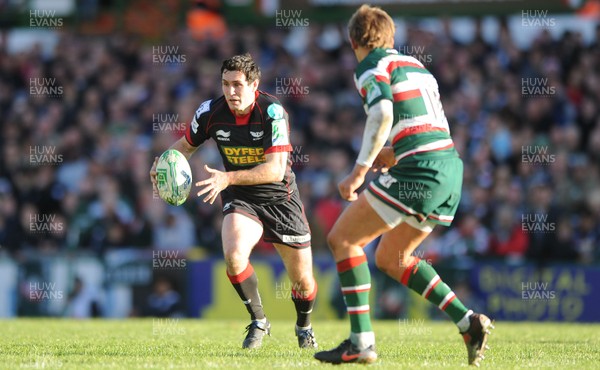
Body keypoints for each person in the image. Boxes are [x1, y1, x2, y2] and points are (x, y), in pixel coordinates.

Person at [314, 5, 493, 366]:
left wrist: (360, 170)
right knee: (392, 258)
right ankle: (467, 321)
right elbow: (427, 126)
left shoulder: (370, 64)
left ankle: (361, 343)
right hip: (449, 169)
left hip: (421, 169)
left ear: (354, 42)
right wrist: (392, 154)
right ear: (392, 37)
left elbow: (382, 113)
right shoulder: (418, 68)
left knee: (343, 240)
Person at [149, 53, 318, 349]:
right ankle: (259, 321)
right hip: (242, 197)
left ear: (254, 85)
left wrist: (227, 178)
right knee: (234, 255)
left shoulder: (273, 112)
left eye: (238, 85)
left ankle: (304, 327)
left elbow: (275, 170)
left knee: (303, 282)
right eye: (226, 84)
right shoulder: (210, 112)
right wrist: (164, 162)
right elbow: (187, 146)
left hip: (281, 198)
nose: (231, 92)